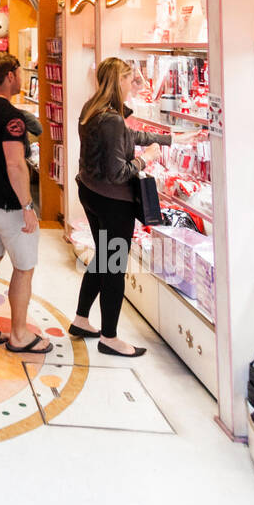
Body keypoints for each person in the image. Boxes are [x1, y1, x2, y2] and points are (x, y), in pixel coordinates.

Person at [72, 57, 199, 357]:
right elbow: (119, 172)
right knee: (113, 266)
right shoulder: (112, 119)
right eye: (130, 79)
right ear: (118, 82)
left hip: (90, 192)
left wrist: (169, 139)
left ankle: (81, 319)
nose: (134, 85)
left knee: (103, 257)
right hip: (113, 202)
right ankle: (110, 337)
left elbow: (129, 137)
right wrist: (148, 158)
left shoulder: (92, 109)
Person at [0, 53, 50, 356]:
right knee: (24, 268)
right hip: (6, 205)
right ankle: (19, 334)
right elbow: (15, 164)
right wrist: (28, 207)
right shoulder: (12, 117)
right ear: (12, 75)